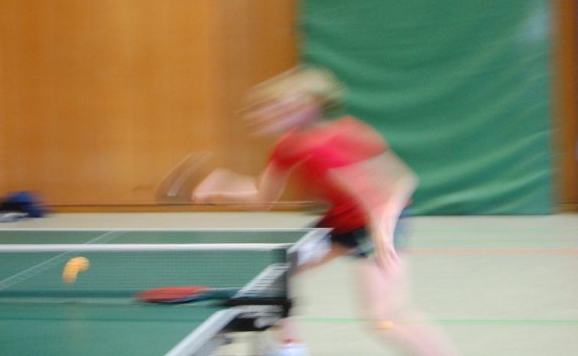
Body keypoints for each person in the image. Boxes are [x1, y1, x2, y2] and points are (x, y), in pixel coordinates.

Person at [193, 66, 458, 356]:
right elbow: (262, 197)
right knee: (273, 274)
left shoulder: (331, 144)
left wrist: (382, 235)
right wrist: (221, 187)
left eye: (277, 108)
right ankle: (290, 346)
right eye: (265, 108)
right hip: (340, 223)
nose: (263, 115)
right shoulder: (287, 146)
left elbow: (393, 186)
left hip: (375, 223)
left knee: (385, 317)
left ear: (308, 107)